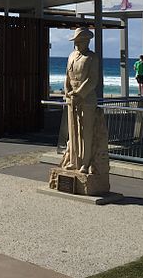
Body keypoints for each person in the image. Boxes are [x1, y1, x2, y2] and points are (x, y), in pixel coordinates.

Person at [62, 28, 100, 174]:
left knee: (85, 132)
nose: (76, 44)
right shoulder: (71, 56)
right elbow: (67, 76)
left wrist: (79, 93)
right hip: (72, 99)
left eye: (79, 41)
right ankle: (74, 161)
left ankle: (85, 162)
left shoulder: (92, 57)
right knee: (73, 131)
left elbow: (92, 80)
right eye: (76, 41)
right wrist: (67, 92)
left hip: (86, 99)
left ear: (87, 41)